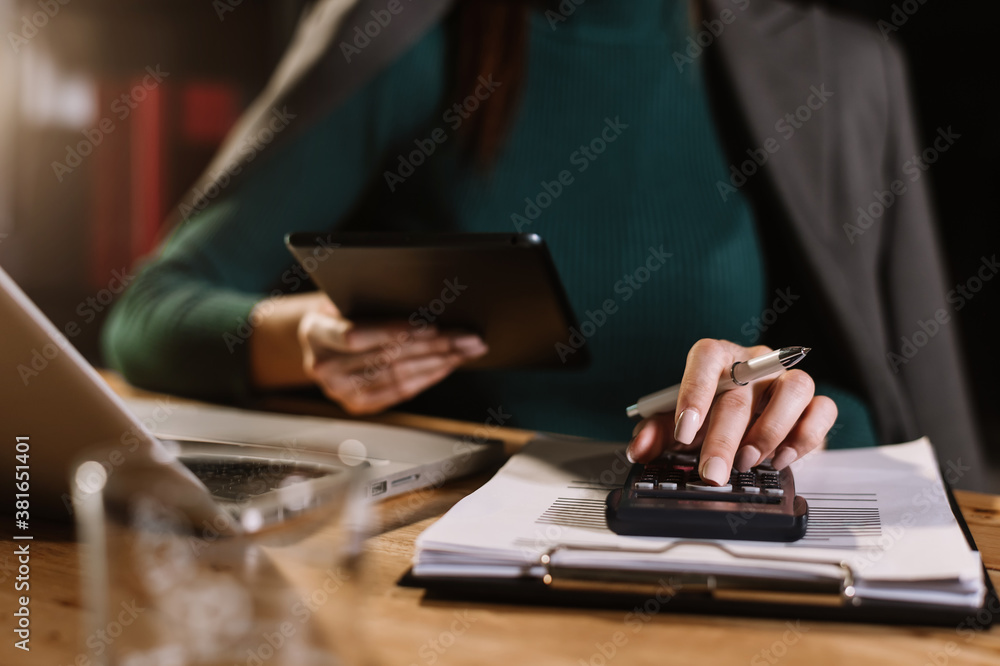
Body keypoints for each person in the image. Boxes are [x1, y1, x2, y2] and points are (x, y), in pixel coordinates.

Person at [101, 0, 987, 489]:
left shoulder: (830, 71)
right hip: (451, 567)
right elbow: (147, 314)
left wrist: (792, 416)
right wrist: (307, 343)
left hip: (725, 540)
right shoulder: (407, 36)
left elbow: (899, 409)